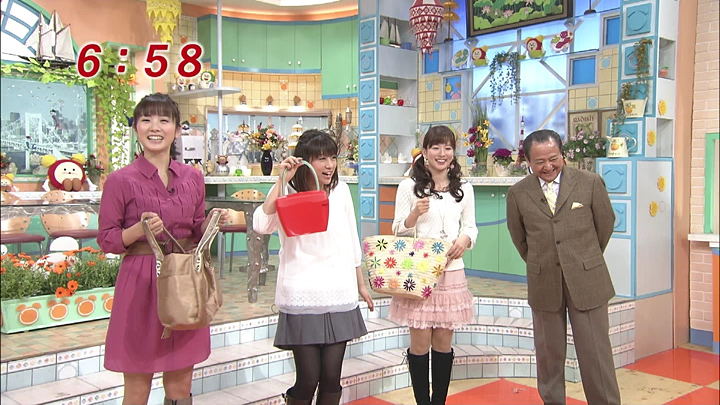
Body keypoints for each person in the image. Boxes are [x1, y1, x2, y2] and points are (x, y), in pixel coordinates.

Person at [97, 93, 228, 405]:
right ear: (136, 128)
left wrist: (211, 221)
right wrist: (137, 230)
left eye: (164, 120)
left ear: (177, 129)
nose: (154, 127)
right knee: (138, 386)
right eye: (146, 120)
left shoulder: (193, 177)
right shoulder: (120, 180)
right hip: (141, 286)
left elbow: (194, 228)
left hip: (184, 282)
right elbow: (106, 239)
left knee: (181, 387)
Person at [253, 130, 374, 405]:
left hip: (339, 292)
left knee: (331, 378)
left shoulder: (341, 191)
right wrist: (281, 180)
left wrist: (360, 284)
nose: (329, 165)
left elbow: (350, 238)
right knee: (308, 379)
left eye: (332, 157)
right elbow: (261, 224)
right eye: (321, 158)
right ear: (305, 160)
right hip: (302, 293)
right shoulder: (287, 191)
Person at [506, 129, 621, 405]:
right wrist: (543, 262)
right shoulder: (518, 193)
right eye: (539, 162)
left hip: (588, 279)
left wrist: (583, 259)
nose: (548, 167)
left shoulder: (590, 183)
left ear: (563, 154)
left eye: (553, 159)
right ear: (528, 162)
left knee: (596, 355)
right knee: (548, 356)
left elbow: (605, 225)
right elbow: (520, 239)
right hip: (544, 281)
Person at [389, 126, 477, 405]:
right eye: (436, 147)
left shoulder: (464, 188)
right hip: (420, 272)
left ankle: (439, 401)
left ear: (453, 152)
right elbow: (397, 229)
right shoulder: (408, 186)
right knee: (420, 343)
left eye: (448, 148)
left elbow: (471, 227)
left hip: (452, 273)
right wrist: (414, 214)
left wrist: (464, 239)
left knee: (443, 343)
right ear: (425, 152)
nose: (442, 153)